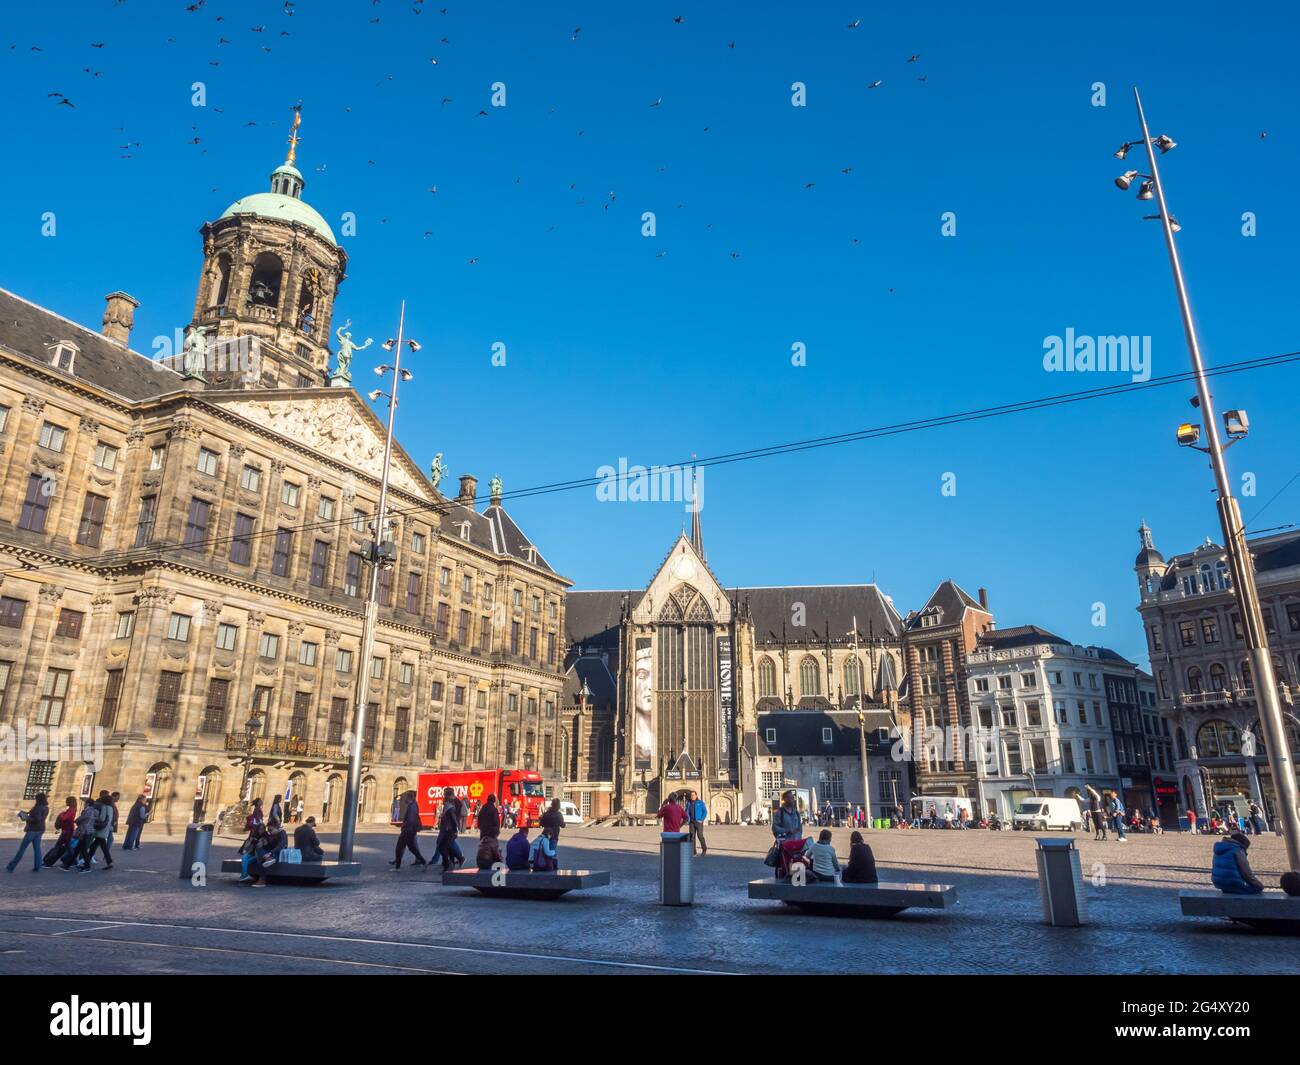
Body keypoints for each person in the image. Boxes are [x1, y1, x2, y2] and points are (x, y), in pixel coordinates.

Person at [6, 792, 49, 873]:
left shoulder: (38, 807)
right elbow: (36, 817)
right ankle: (37, 866)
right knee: (37, 849)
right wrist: (25, 814)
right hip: (40, 829)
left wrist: (26, 818)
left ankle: (11, 866)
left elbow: (37, 819)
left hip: (33, 830)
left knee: (22, 849)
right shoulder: (45, 807)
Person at [390, 790, 426, 870]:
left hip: (408, 831)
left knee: (399, 848)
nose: (405, 799)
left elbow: (410, 820)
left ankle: (397, 867)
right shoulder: (412, 805)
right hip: (410, 830)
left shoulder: (412, 806)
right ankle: (423, 862)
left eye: (406, 797)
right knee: (412, 848)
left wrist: (404, 827)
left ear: (410, 798)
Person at [78, 792, 114, 871]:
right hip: (105, 829)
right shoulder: (111, 808)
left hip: (100, 829)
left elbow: (101, 818)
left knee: (99, 846)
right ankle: (88, 862)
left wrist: (94, 818)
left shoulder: (105, 807)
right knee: (95, 846)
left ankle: (88, 863)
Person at [43, 797, 79, 868]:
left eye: (67, 801)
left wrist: (61, 814)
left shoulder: (71, 810)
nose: (66, 802)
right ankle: (74, 861)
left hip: (67, 831)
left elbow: (65, 818)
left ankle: (49, 862)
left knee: (58, 847)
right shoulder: (71, 809)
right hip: (66, 830)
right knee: (67, 847)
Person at [434, 788, 462, 871]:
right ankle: (450, 863)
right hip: (447, 829)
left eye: (445, 794)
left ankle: (452, 862)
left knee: (442, 846)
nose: (443, 796)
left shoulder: (450, 806)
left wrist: (456, 829)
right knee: (446, 846)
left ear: (449, 795)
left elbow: (454, 819)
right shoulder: (448, 805)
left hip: (449, 830)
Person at [687, 790, 708, 856]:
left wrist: (701, 819)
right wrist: (688, 819)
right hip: (692, 822)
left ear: (696, 795)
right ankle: (694, 852)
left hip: (698, 822)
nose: (692, 796)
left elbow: (705, 812)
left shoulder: (700, 802)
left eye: (693, 795)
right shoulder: (688, 803)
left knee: (700, 836)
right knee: (692, 837)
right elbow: (686, 812)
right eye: (691, 795)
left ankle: (704, 849)